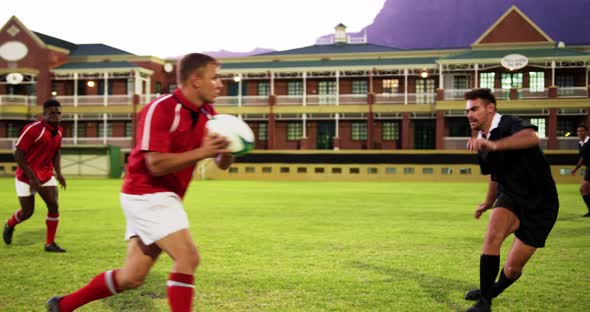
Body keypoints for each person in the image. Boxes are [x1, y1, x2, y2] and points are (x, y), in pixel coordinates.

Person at [46, 53, 233, 312]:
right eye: (215, 78)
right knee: (188, 258)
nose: (220, 84)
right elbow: (154, 164)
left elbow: (221, 163)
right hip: (146, 192)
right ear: (196, 80)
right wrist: (203, 151)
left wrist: (230, 148)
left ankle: (63, 305)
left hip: (163, 196)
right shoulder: (162, 108)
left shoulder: (208, 113)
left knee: (131, 277)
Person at [463, 88, 559, 312]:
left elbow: (533, 137)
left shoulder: (508, 123)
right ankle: (485, 302)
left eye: (474, 109)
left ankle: (493, 290)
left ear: (490, 108)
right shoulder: (480, 140)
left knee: (513, 269)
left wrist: (496, 145)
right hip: (511, 197)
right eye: (467, 110)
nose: (469, 114)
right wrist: (487, 202)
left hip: (542, 203)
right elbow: (494, 176)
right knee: (492, 236)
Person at [3, 99, 67, 252]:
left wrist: (59, 173)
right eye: (52, 113)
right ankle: (10, 224)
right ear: (44, 114)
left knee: (53, 204)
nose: (56, 115)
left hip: (45, 174)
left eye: (58, 113)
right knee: (27, 213)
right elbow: (18, 154)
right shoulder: (32, 129)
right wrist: (32, 177)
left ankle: (49, 243)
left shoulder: (59, 131)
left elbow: (56, 151)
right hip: (26, 176)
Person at [570, 124, 590, 217]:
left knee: (584, 189)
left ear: (586, 132)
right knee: (584, 190)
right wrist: (576, 169)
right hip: (588, 168)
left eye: (582, 131)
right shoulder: (580, 144)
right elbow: (582, 158)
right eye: (578, 131)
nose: (580, 133)